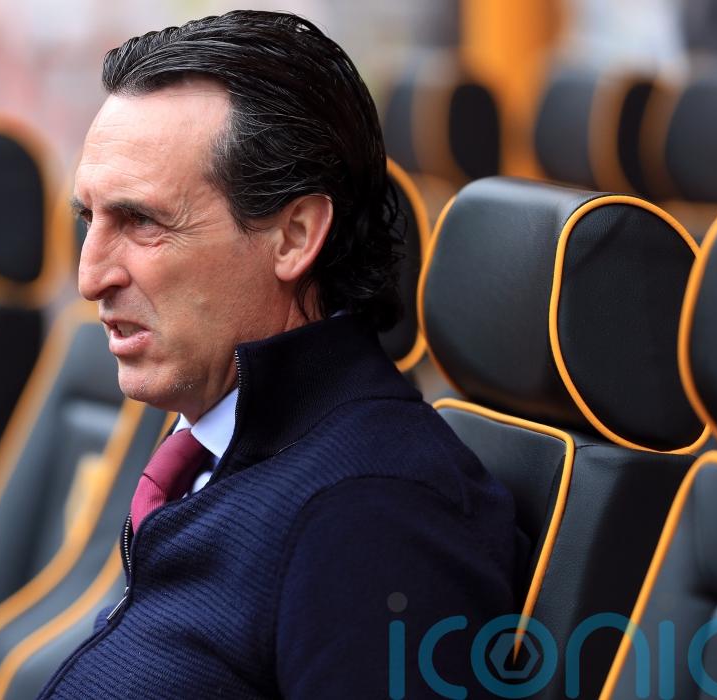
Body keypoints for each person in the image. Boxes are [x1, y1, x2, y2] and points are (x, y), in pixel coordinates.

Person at [41, 10, 523, 698]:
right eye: (90, 219)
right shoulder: (223, 439)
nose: (90, 276)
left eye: (142, 221)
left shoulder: (371, 520)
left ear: (294, 236)